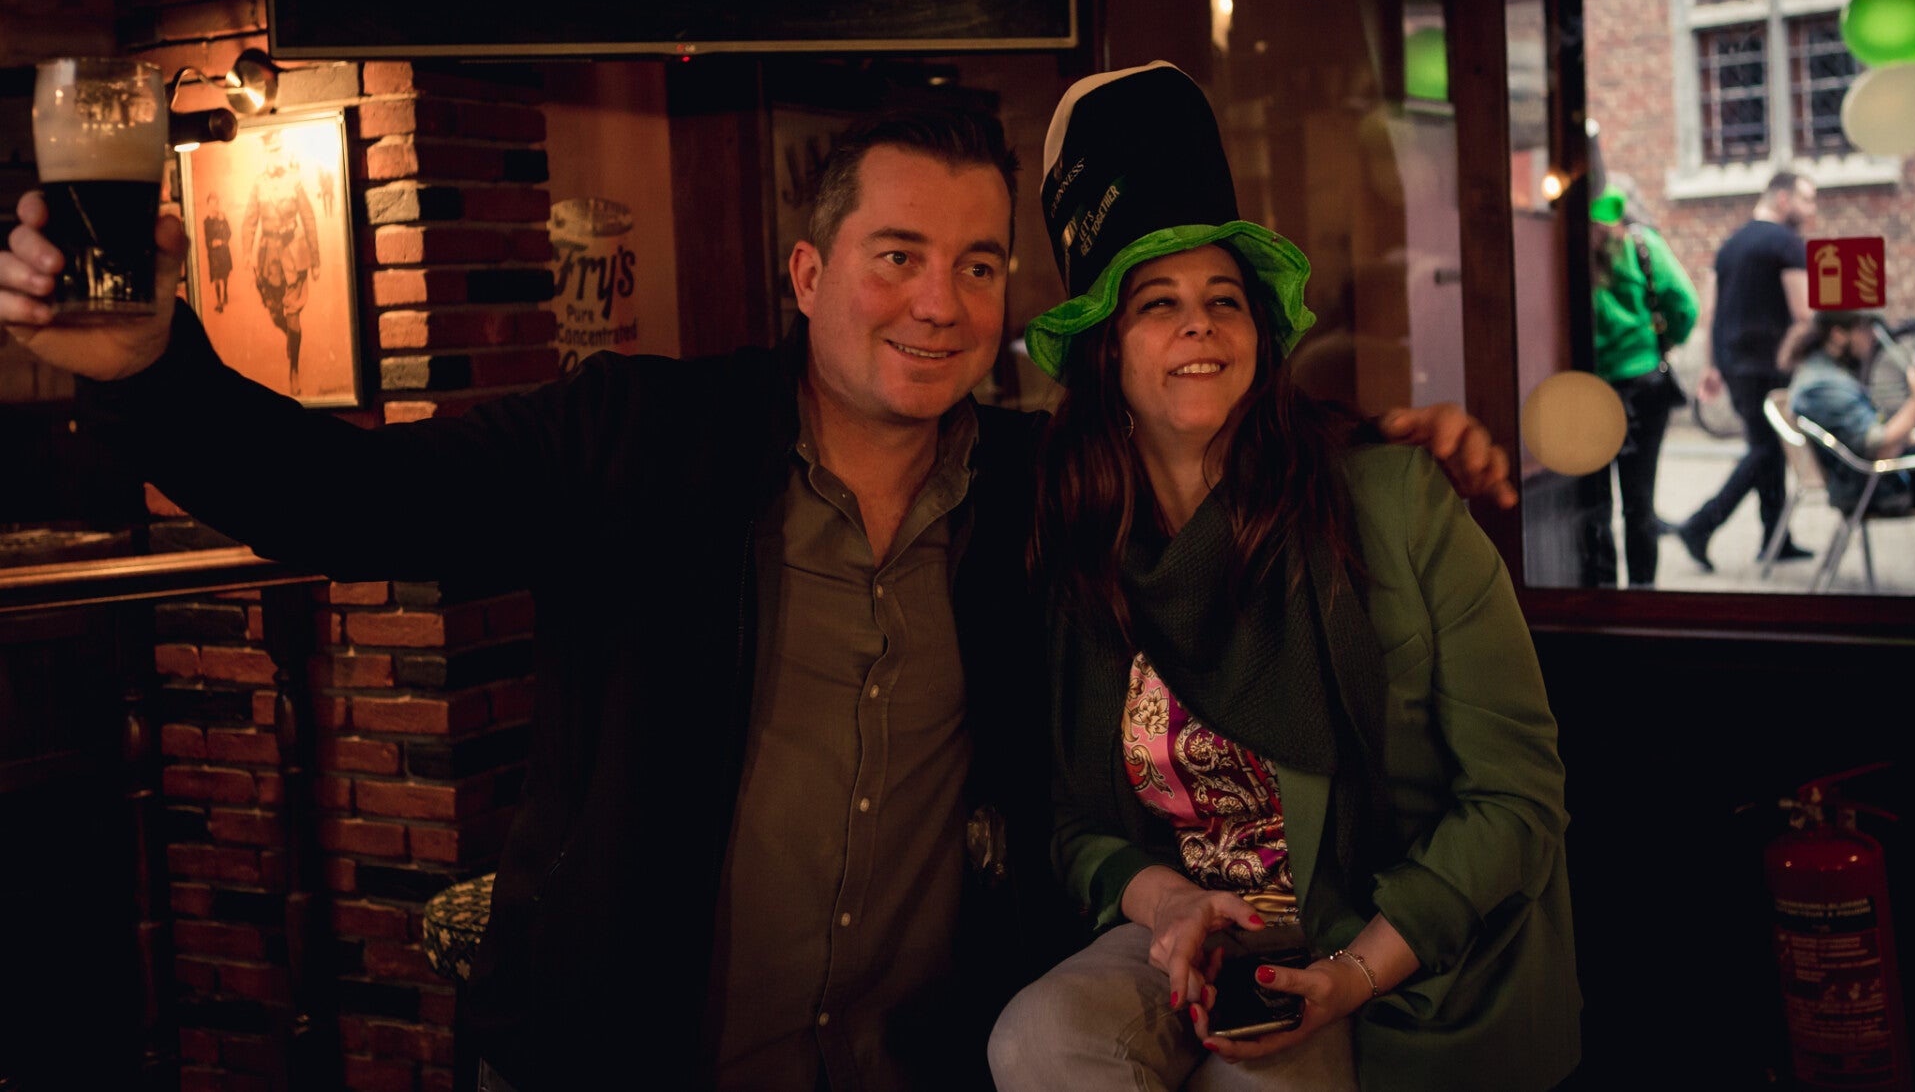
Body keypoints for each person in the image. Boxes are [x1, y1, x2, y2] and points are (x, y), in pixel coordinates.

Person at [0, 101, 1514, 1092]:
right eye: (897, 255)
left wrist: (1383, 450)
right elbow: (352, 499)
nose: (939, 304)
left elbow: (1198, 433)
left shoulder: (1036, 491)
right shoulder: (633, 438)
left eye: (978, 265)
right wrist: (152, 375)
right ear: (803, 271)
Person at [986, 63, 1579, 1092]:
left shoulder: (1392, 501)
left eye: (1224, 299)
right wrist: (1173, 905)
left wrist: (1353, 972)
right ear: (1107, 354)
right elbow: (1078, 830)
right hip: (1199, 937)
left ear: (1260, 335)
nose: (1200, 323)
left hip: (1391, 954)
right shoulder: (1083, 544)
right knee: (1036, 1040)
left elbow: (1517, 799)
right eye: (1158, 303)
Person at [1676, 170, 1817, 572]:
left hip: (1734, 363)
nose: (1812, 210)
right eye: (1807, 200)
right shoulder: (1787, 244)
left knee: (1767, 448)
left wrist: (1710, 365)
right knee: (1766, 450)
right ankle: (1701, 525)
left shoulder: (1730, 245)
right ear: (1784, 199)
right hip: (1770, 365)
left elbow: (1710, 312)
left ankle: (1775, 537)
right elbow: (1803, 313)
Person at [1580, 180, 1698, 588]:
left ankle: (1603, 594)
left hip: (1589, 391)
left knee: (1596, 504)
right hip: (1645, 384)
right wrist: (1663, 341)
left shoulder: (1566, 250)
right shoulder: (1642, 245)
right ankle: (1642, 594)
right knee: (1640, 502)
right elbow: (1685, 305)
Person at [1781, 310, 1915, 519]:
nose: (1872, 337)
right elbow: (1880, 446)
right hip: (1875, 487)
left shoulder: (1823, 373)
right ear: (1839, 334)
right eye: (1865, 329)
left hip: (1869, 479)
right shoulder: (1824, 386)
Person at [240, 128, 322, 396]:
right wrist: (246, 252)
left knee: (293, 313)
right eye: (271, 151)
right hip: (269, 258)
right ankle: (291, 338)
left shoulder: (294, 181)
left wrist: (316, 259)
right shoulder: (258, 185)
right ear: (265, 154)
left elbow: (308, 218)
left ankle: (294, 369)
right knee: (275, 312)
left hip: (293, 254)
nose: (276, 156)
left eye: (278, 150)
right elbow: (249, 221)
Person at [201, 190, 234, 313]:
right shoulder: (206, 221)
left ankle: (225, 292)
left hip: (223, 252)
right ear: (208, 205)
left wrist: (222, 241)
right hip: (214, 254)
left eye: (215, 204)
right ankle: (219, 302)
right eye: (211, 204)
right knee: (216, 277)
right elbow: (207, 239)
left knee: (224, 275)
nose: (213, 207)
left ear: (218, 204)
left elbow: (229, 233)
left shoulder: (222, 218)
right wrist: (211, 244)